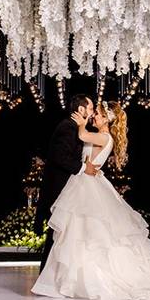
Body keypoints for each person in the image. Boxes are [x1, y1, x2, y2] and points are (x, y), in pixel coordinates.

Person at [31, 100, 150, 300]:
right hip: (85, 182)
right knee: (79, 232)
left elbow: (82, 136)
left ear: (106, 119)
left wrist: (80, 122)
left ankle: (89, 279)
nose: (93, 116)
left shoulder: (105, 137)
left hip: (88, 185)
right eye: (93, 112)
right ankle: (69, 279)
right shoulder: (101, 135)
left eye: (96, 113)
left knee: (90, 232)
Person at [36, 94, 99, 274]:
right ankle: (47, 276)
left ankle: (58, 275)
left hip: (71, 188)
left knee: (64, 232)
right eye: (91, 108)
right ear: (81, 110)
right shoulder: (67, 127)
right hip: (59, 187)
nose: (93, 112)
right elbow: (59, 157)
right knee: (57, 231)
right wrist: (83, 168)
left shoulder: (76, 128)